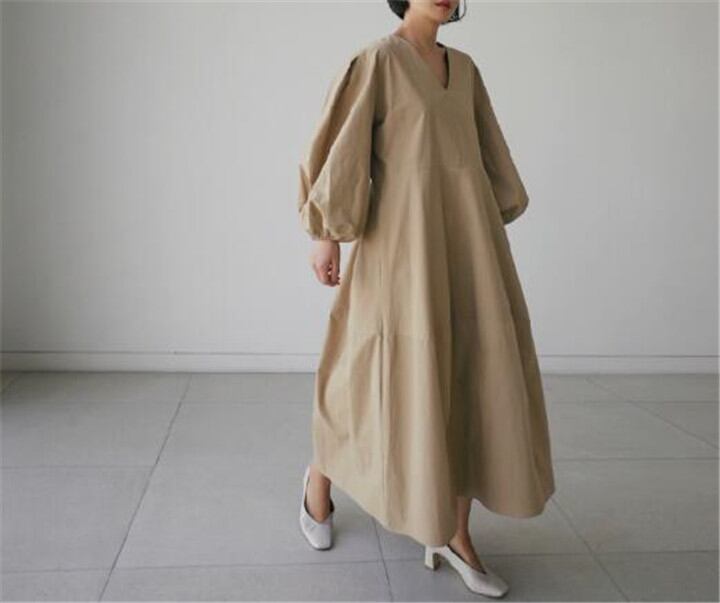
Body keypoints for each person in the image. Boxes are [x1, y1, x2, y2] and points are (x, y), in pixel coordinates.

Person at [296, 0, 555, 597]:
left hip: (467, 245)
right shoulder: (377, 61)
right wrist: (326, 235)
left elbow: (489, 156)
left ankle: (456, 534)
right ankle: (319, 478)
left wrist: (486, 218)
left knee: (469, 377)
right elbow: (340, 147)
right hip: (398, 245)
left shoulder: (465, 69)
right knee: (365, 374)